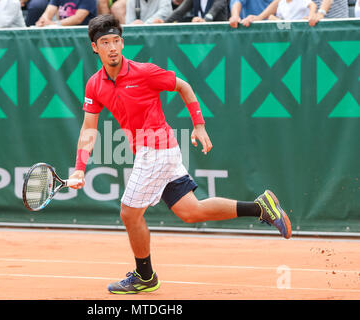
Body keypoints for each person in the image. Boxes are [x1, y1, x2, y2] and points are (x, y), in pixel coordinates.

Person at [68, 14, 292, 294]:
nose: (112, 47)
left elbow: (183, 86)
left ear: (122, 43)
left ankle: (145, 276)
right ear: (95, 47)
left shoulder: (144, 71)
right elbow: (89, 128)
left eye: (116, 41)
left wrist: (199, 125)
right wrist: (79, 168)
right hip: (151, 152)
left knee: (128, 213)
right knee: (191, 211)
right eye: (105, 42)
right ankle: (261, 207)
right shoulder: (94, 85)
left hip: (157, 149)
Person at [241, 0, 318, 26]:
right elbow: (282, 23)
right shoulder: (281, 4)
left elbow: (313, 5)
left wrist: (311, 16)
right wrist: (275, 20)